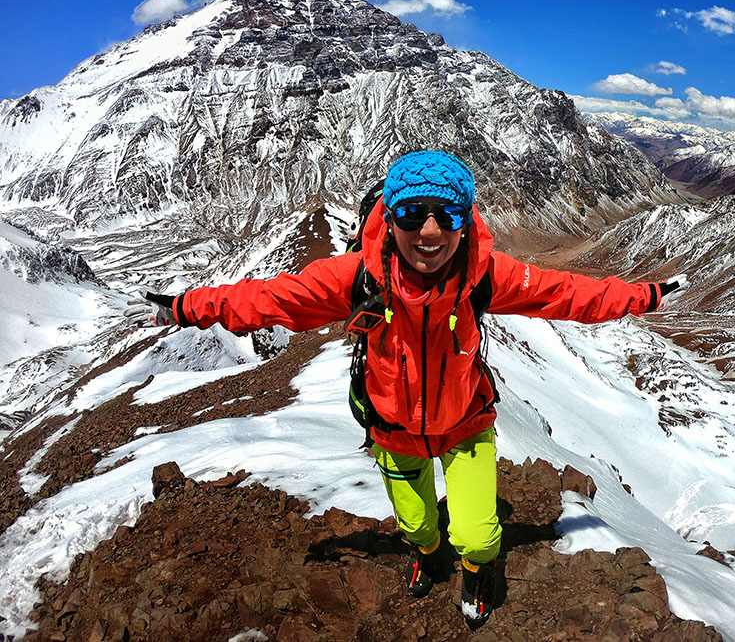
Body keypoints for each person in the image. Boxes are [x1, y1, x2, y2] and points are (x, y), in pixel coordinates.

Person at [125, 150, 687, 626]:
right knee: (416, 525)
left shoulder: (483, 276)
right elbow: (268, 299)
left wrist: (647, 297)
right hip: (393, 430)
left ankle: (478, 571)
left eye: (446, 214)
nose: (430, 231)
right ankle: (424, 553)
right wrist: (185, 307)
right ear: (389, 218)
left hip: (465, 423)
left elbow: (569, 295)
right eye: (413, 213)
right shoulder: (356, 280)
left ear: (465, 220)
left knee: (476, 534)